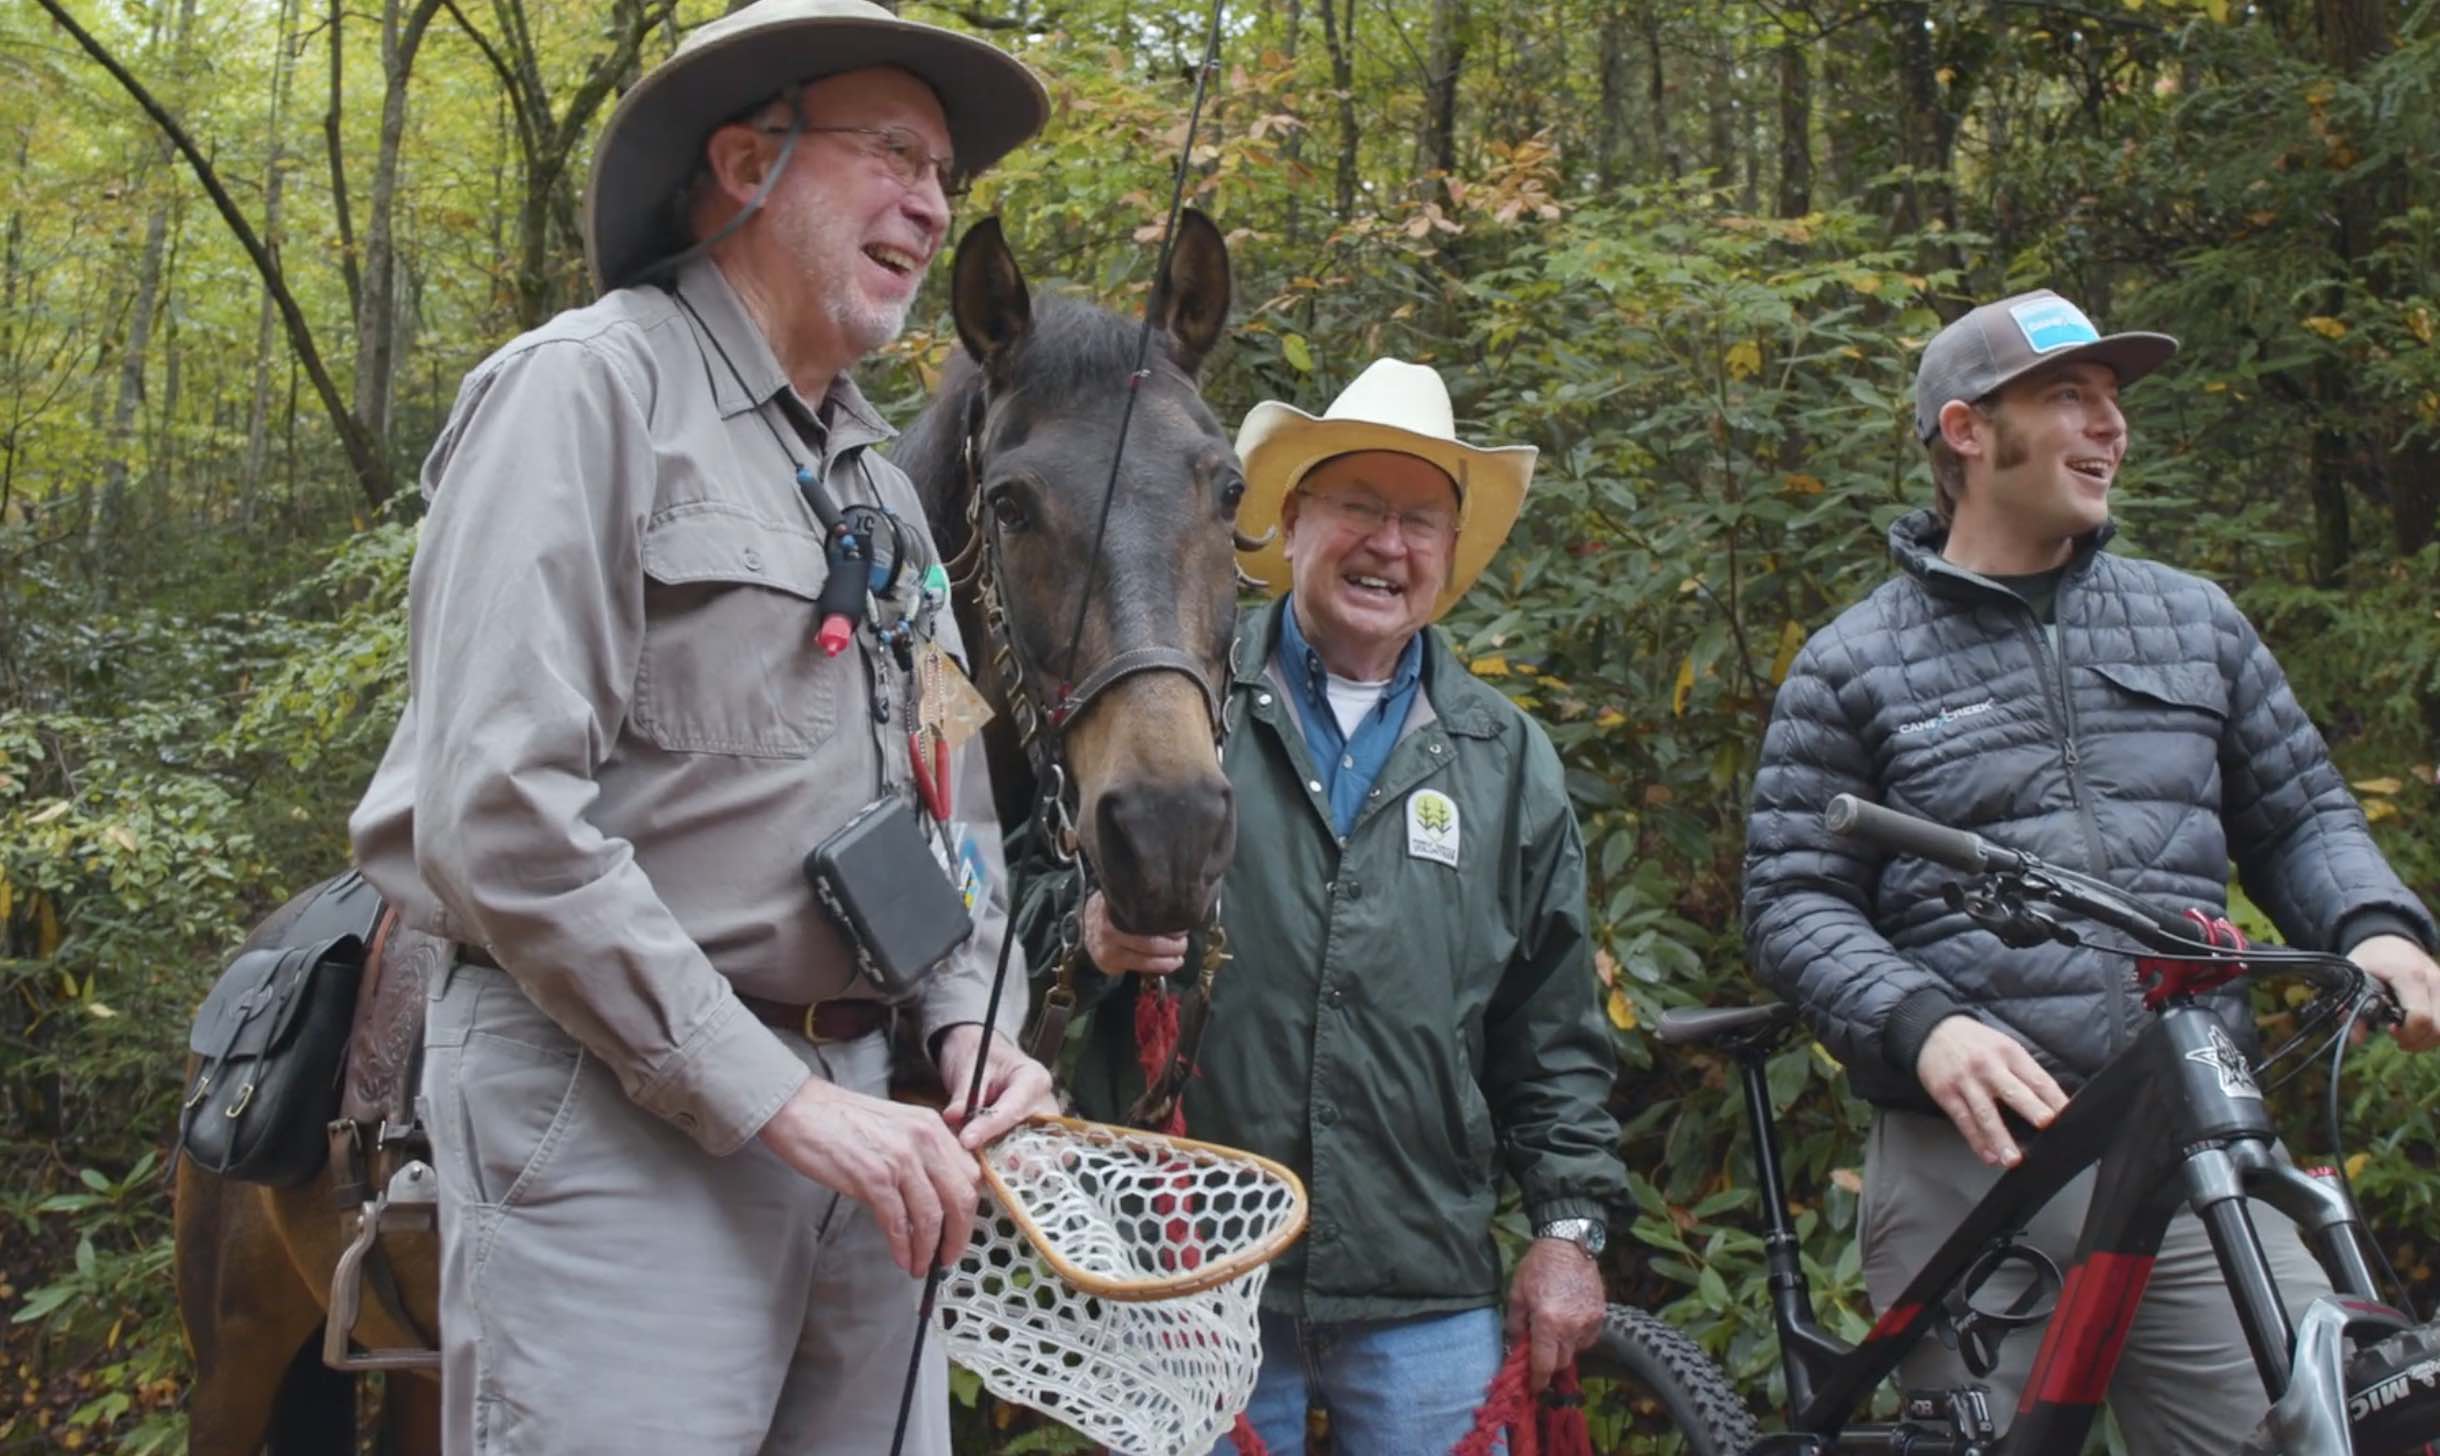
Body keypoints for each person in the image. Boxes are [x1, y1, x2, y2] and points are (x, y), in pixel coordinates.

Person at [345, 2, 1060, 1450]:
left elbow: (957, 796)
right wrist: (776, 1103)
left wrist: (976, 1023)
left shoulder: (887, 494)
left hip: (881, 1139)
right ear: (745, 160)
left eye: (946, 176)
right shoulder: (585, 395)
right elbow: (498, 818)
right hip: (613, 1119)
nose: (932, 202)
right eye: (894, 153)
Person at [1742, 288, 2440, 1450]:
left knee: (2306, 1426)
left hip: (2188, 1147)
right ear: (1966, 430)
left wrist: (2375, 925)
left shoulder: (2193, 622)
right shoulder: (1851, 663)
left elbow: (2301, 813)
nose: (2109, 426)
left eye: (2113, 401)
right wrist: (1921, 1021)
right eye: (2069, 396)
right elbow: (1791, 898)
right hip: (1970, 1157)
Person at [1064, 358, 1627, 1455]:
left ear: (1450, 553)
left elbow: (1549, 1033)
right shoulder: (1174, 701)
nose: (1388, 544)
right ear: (1288, 522)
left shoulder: (1505, 759)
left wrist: (1566, 1230)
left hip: (1422, 1282)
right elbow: (1017, 907)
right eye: (1358, 507)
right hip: (1189, 1272)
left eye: (1420, 519)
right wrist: (1087, 933)